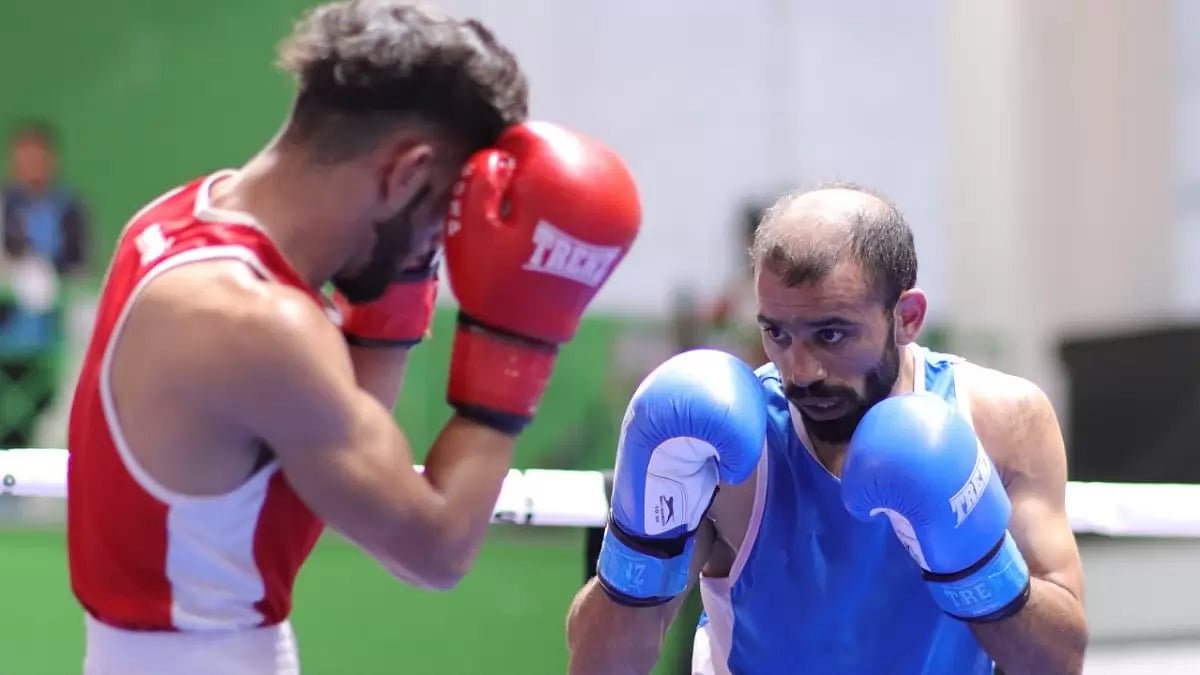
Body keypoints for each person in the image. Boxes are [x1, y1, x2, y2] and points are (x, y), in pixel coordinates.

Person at [65, 2, 641, 674]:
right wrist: (520, 336)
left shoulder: (177, 220)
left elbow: (346, 422)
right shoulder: (256, 324)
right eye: (441, 214)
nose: (440, 242)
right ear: (404, 173)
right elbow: (436, 548)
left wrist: (400, 278)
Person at [566, 184, 1088, 674]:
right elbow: (604, 664)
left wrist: (978, 566)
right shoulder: (729, 449)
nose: (801, 369)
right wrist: (639, 550)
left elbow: (1057, 659)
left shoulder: (1000, 422)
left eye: (831, 334)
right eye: (777, 333)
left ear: (906, 317)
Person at [0, 121, 90, 447]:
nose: (31, 166)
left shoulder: (71, 207)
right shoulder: (4, 205)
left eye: (37, 157)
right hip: (8, 338)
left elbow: (81, 265)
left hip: (55, 339)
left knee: (50, 423)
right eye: (24, 158)